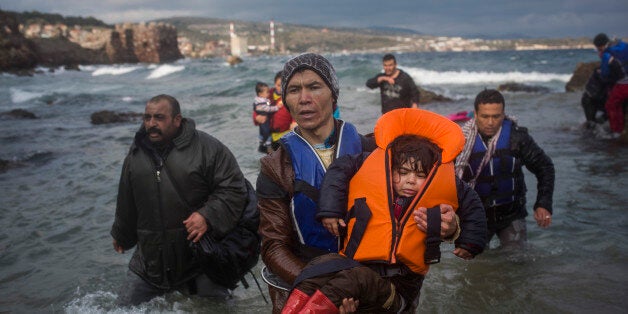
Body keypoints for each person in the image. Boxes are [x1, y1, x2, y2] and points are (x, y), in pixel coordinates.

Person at [281, 108, 487, 313]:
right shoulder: (369, 162)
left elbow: (472, 203)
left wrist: (470, 240)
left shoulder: (441, 185)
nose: (410, 180)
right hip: (359, 271)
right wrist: (330, 210)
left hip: (399, 289)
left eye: (420, 175)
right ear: (391, 168)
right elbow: (339, 171)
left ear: (431, 176)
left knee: (353, 279)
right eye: (404, 172)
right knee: (318, 268)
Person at [256, 53, 377, 313]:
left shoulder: (372, 150)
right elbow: (273, 245)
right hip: (307, 286)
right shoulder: (274, 168)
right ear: (286, 101)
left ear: (333, 94)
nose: (304, 99)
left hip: (369, 283)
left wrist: (448, 227)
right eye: (294, 90)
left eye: (314, 87)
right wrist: (322, 290)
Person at [111, 94, 248, 305]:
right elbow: (127, 198)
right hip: (149, 262)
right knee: (120, 309)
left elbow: (234, 188)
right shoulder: (136, 154)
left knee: (219, 309)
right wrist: (122, 234)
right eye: (147, 118)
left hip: (199, 261)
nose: (151, 124)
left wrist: (207, 216)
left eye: (159, 117)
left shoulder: (208, 148)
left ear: (177, 120)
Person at [455, 89, 555, 249]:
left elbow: (545, 167)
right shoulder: (459, 140)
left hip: (511, 215)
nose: (490, 122)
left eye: (496, 116)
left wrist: (543, 203)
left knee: (516, 262)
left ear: (503, 114)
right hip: (474, 217)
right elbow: (443, 177)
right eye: (485, 116)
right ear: (475, 114)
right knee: (473, 267)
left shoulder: (517, 138)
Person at [593, 33, 628, 137]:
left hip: (624, 85)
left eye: (598, 48)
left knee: (611, 105)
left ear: (600, 46)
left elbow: (605, 74)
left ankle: (616, 131)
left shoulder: (607, 54)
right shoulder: (623, 45)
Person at [267, 70, 296, 147]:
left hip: (286, 135)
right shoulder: (268, 95)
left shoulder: (291, 97)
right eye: (278, 85)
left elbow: (296, 110)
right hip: (271, 136)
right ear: (274, 84)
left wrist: (294, 121)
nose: (281, 88)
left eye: (283, 85)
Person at [252, 81, 279, 153]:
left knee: (263, 132)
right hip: (265, 121)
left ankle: (262, 144)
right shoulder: (264, 100)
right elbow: (267, 109)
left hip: (280, 134)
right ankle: (266, 145)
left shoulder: (259, 99)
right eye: (278, 85)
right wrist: (277, 107)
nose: (269, 93)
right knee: (266, 132)